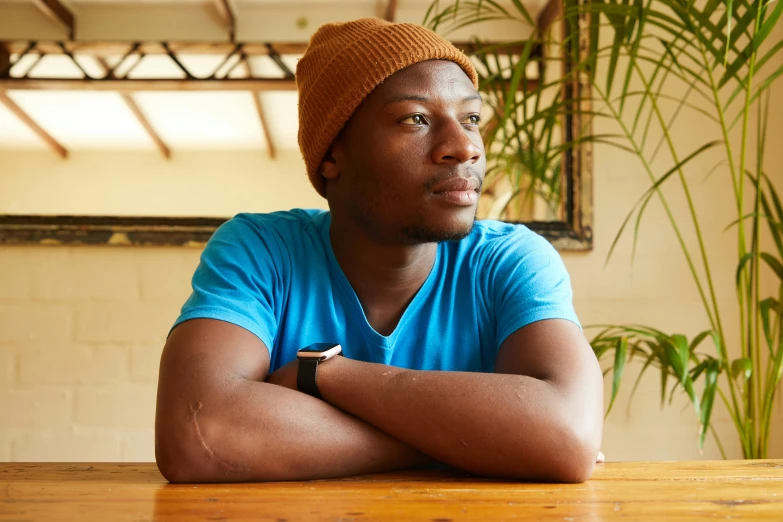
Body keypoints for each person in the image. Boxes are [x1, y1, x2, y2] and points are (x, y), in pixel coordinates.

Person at [154, 17, 604, 484]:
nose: (465, 146)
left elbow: (565, 434)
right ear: (333, 154)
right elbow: (199, 434)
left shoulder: (509, 260)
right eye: (416, 118)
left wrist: (326, 376)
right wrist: (485, 440)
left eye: (471, 119)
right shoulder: (262, 250)